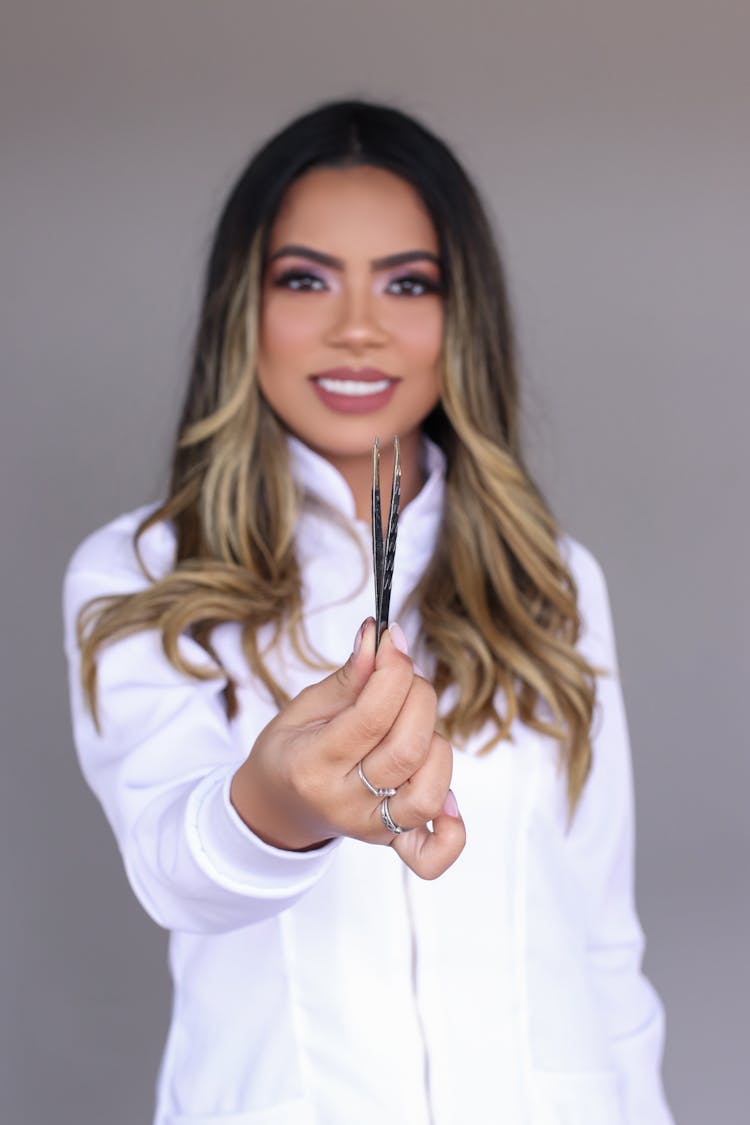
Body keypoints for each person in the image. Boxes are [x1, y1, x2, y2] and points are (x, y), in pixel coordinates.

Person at [63, 100, 673, 1125]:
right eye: (306, 279)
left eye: (408, 283)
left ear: (459, 313)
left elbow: (603, 941)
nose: (358, 325)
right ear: (241, 310)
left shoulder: (552, 580)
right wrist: (281, 800)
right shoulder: (143, 572)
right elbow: (175, 869)